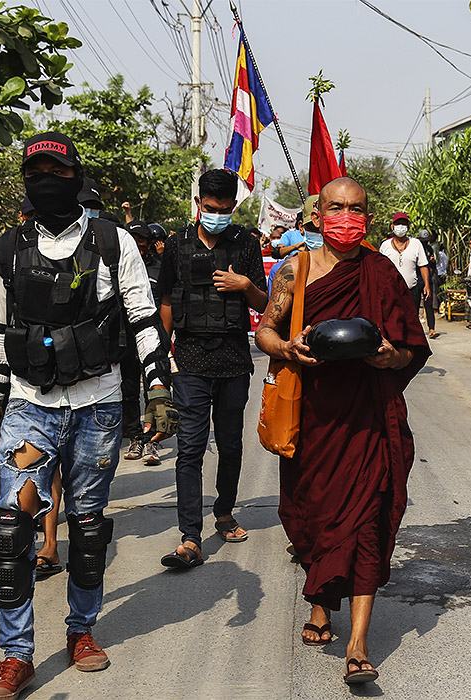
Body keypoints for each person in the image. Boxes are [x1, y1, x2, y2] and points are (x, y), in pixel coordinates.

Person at [0, 132, 172, 699]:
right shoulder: (8, 249)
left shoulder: (113, 242)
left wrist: (157, 387)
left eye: (56, 173)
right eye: (35, 172)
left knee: (87, 528)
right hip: (29, 404)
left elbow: (141, 317)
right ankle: (15, 656)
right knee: (12, 531)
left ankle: (81, 632)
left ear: (76, 177)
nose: (46, 182)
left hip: (98, 405)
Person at [254, 177, 430, 685]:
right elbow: (266, 328)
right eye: (337, 208)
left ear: (368, 217)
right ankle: (319, 604)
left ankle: (357, 642)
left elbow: (410, 347)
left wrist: (386, 357)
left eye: (356, 209)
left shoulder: (383, 273)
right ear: (316, 215)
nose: (347, 218)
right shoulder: (297, 268)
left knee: (368, 518)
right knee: (314, 515)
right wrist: (287, 349)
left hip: (371, 418)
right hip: (315, 419)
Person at [156, 168, 268, 568]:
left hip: (234, 362)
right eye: (210, 207)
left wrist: (244, 286)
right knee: (189, 449)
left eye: (224, 209)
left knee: (231, 445)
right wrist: (158, 357)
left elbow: (263, 303)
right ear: (198, 204)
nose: (217, 214)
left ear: (233, 207)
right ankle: (189, 536)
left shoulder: (246, 245)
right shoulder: (176, 245)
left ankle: (223, 512)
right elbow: (167, 299)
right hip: (188, 361)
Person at [122, 221, 170, 466]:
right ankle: (135, 437)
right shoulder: (116, 268)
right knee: (128, 391)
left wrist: (165, 338)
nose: (139, 246)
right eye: (134, 240)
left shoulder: (159, 268)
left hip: (152, 339)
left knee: (153, 388)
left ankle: (152, 439)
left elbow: (166, 303)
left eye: (143, 241)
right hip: (125, 341)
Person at [379, 212, 432, 333]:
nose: (400, 227)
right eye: (398, 224)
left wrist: (427, 285)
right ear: (392, 227)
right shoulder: (385, 245)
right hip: (390, 291)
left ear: (409, 226)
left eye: (403, 224)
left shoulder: (416, 244)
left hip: (411, 290)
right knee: (391, 320)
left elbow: (423, 265)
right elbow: (380, 267)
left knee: (411, 320)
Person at [418, 229, 441, 339]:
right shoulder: (416, 248)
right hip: (417, 280)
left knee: (429, 305)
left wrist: (432, 262)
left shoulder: (429, 249)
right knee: (414, 305)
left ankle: (431, 328)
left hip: (427, 280)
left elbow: (433, 265)